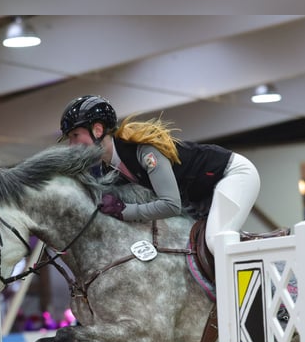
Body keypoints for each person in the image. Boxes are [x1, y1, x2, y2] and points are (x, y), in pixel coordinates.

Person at [59, 94, 261, 254]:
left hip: (233, 174)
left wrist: (124, 210)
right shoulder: (108, 170)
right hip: (203, 196)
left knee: (215, 241)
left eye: (75, 135)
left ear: (97, 129)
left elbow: (171, 205)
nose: (72, 145)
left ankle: (271, 290)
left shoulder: (144, 151)